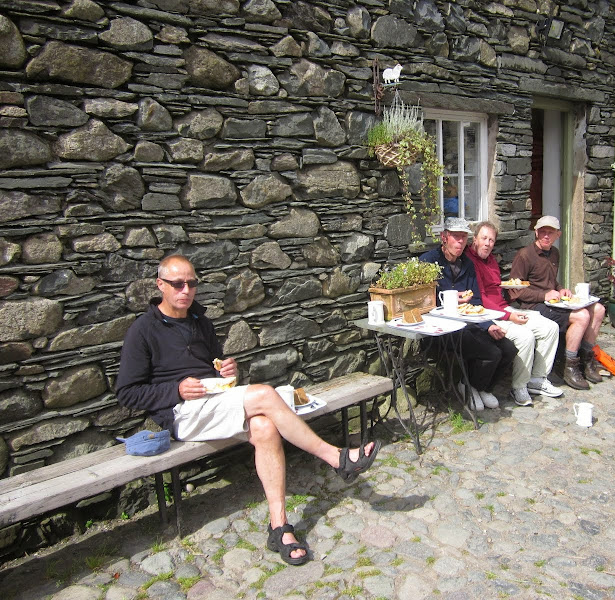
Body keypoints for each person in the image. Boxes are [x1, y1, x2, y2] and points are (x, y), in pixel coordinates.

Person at [116, 255, 381, 566]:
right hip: (180, 414)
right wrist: (175, 390)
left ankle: (279, 528)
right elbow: (127, 393)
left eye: (191, 283)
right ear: (160, 285)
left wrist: (227, 371)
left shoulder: (201, 322)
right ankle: (336, 457)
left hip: (213, 404)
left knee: (265, 428)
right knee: (266, 394)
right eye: (177, 284)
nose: (185, 290)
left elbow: (217, 374)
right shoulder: (143, 330)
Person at [419, 217, 517, 411]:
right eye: (456, 237)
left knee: (508, 349)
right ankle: (468, 385)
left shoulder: (467, 264)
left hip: (468, 324)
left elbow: (477, 302)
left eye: (463, 237)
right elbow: (421, 300)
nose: (460, 242)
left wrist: (489, 325)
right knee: (491, 353)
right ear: (444, 237)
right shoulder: (428, 262)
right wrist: (449, 299)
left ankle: (480, 387)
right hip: (440, 329)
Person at [465, 221, 563, 406]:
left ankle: (537, 379)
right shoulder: (470, 262)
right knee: (525, 336)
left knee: (550, 327)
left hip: (504, 308)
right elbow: (480, 298)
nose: (487, 243)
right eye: (484, 238)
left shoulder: (491, 260)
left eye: (491, 240)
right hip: (488, 314)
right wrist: (508, 316)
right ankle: (519, 386)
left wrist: (512, 292)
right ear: (475, 239)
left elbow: (497, 290)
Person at [508, 216, 606, 390]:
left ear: (557, 235)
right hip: (533, 306)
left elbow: (551, 282)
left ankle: (587, 359)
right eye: (542, 232)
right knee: (582, 316)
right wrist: (544, 296)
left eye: (550, 233)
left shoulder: (554, 253)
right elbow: (515, 291)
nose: (546, 236)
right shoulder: (525, 255)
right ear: (536, 232)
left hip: (554, 303)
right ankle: (570, 366)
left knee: (598, 309)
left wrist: (561, 289)